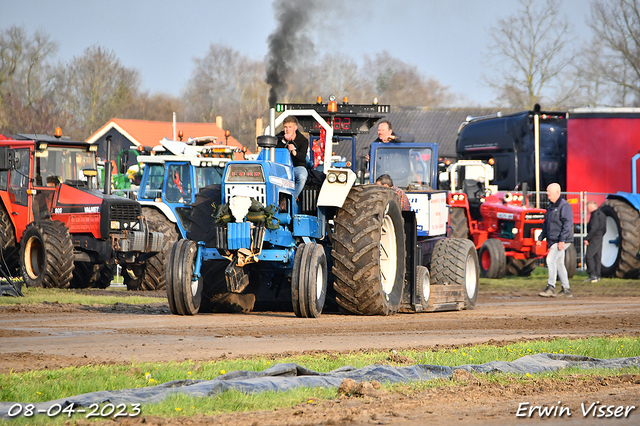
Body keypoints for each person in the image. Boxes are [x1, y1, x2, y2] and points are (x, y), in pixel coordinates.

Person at [538, 183, 574, 298]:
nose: (547, 193)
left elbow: (567, 224)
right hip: (555, 240)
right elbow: (546, 224)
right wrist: (541, 237)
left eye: (549, 191)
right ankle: (566, 289)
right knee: (559, 264)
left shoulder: (564, 206)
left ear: (557, 192)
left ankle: (551, 287)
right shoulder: (551, 206)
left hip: (561, 240)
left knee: (550, 260)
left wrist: (562, 239)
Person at [276, 116, 309, 200]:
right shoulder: (278, 138)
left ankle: (293, 198)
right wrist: (283, 141)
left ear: (295, 128)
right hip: (281, 167)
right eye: (285, 127)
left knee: (302, 176)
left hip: (296, 167)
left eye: (290, 127)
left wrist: (294, 152)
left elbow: (302, 157)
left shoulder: (303, 140)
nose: (287, 130)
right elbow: (275, 151)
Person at [584, 201, 606, 283]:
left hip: (594, 237)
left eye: (588, 207)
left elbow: (594, 228)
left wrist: (587, 238)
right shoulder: (602, 214)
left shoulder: (595, 215)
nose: (588, 209)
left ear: (592, 207)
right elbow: (604, 228)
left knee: (589, 256)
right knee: (597, 256)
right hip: (599, 237)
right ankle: (597, 274)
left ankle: (592, 275)